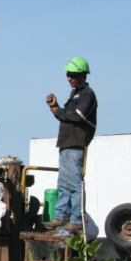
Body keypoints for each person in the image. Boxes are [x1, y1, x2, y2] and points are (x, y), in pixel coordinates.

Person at [44, 57, 98, 234]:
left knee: (74, 184)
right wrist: (56, 107)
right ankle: (61, 216)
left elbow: (78, 116)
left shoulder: (87, 94)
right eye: (68, 75)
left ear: (82, 75)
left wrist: (58, 110)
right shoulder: (76, 94)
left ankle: (76, 220)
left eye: (73, 75)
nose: (69, 78)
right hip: (67, 143)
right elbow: (68, 115)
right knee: (63, 184)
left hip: (76, 143)